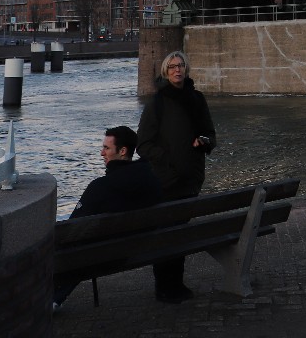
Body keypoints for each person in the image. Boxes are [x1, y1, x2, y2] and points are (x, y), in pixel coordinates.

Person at [53, 125, 163, 310]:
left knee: (71, 247)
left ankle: (51, 298)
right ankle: (55, 298)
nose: (101, 153)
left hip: (109, 255)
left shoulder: (101, 187)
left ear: (122, 151)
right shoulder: (150, 178)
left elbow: (70, 229)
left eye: (106, 148)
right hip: (143, 245)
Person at [137, 50, 217, 304]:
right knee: (166, 234)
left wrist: (204, 141)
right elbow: (143, 144)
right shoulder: (157, 103)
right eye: (172, 67)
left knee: (179, 233)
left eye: (180, 65)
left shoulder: (197, 99)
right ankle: (164, 286)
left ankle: (177, 283)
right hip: (165, 180)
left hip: (190, 179)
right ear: (165, 71)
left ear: (186, 69)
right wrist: (167, 161)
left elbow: (210, 134)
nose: (177, 70)